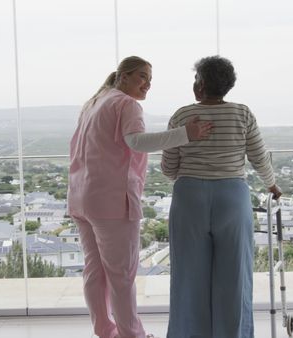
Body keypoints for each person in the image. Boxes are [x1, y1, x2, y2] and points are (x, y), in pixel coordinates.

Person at [67, 56, 213, 338]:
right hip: (111, 202)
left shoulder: (94, 103)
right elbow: (136, 141)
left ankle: (105, 331)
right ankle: (131, 335)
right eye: (142, 77)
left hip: (82, 198)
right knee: (121, 275)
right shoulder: (126, 104)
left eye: (150, 79)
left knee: (95, 271)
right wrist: (186, 134)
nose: (147, 84)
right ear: (123, 76)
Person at [161, 55, 282, 338]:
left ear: (201, 85)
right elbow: (259, 158)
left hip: (189, 196)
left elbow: (168, 168)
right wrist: (272, 185)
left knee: (188, 275)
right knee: (235, 275)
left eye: (196, 79)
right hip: (232, 196)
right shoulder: (242, 114)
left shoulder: (182, 116)